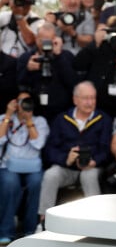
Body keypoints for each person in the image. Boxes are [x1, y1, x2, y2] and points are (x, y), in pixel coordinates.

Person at [38, 81, 112, 228]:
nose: (90, 102)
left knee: (88, 175)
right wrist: (66, 158)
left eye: (93, 98)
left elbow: (106, 150)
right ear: (75, 99)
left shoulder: (104, 119)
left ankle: (97, 224)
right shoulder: (62, 119)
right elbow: (50, 150)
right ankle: (43, 221)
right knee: (51, 175)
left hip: (91, 167)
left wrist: (94, 161)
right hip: (67, 168)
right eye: (86, 98)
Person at [0, 92, 49, 244]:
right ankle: (5, 230)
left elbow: (38, 144)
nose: (24, 105)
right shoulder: (5, 118)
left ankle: (31, 229)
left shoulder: (39, 121)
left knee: (37, 183)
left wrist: (28, 121)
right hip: (9, 164)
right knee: (10, 183)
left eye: (27, 101)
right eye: (21, 101)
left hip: (32, 165)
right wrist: (8, 115)